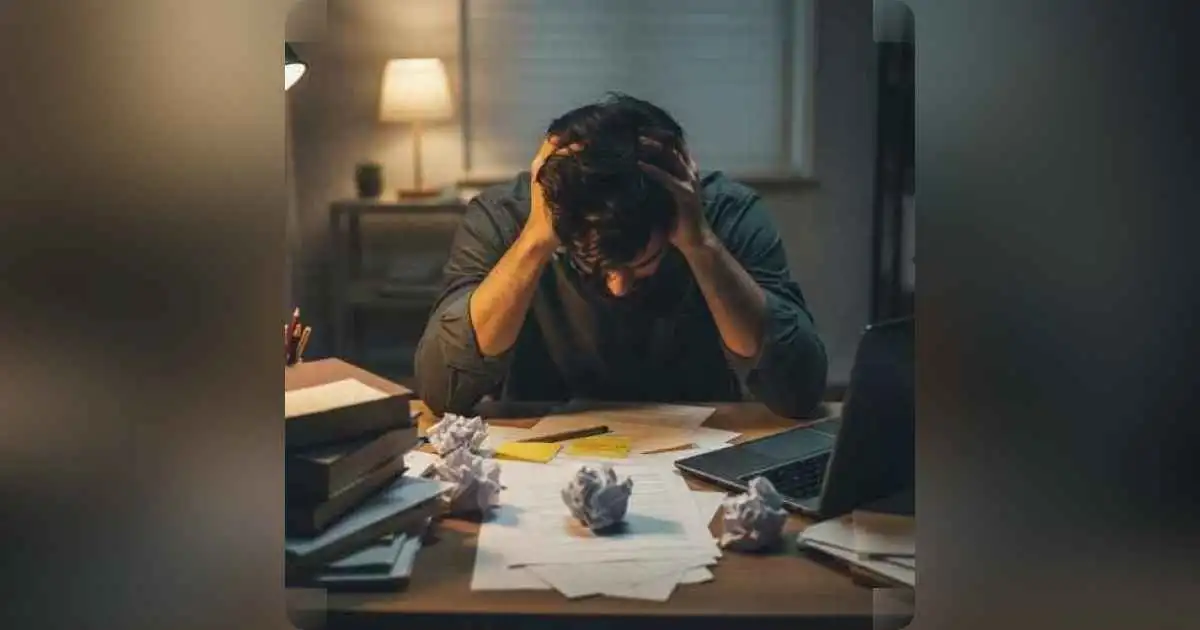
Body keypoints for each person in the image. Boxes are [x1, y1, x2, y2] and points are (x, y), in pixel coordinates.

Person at [414, 94, 827, 419]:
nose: (619, 287)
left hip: (704, 447)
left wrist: (702, 245)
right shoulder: (506, 217)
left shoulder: (725, 214)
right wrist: (535, 241)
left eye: (641, 265)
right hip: (541, 456)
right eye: (595, 265)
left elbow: (798, 391)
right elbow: (440, 389)